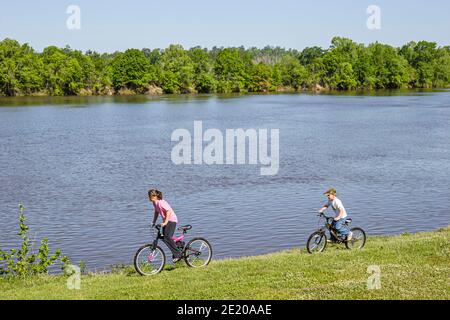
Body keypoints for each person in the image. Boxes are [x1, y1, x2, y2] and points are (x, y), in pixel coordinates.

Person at [148, 189, 183, 262]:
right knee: (164, 237)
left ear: (155, 196)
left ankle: (178, 254)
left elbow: (168, 211)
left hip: (171, 220)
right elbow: (156, 212)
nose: (149, 197)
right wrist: (153, 222)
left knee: (167, 237)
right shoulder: (155, 203)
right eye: (148, 195)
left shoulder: (161, 203)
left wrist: (165, 222)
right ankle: (178, 245)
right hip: (166, 221)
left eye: (150, 195)